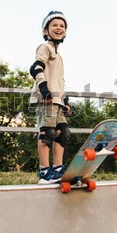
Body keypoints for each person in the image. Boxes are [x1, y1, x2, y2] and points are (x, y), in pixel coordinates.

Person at [29, 11, 74, 184]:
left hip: (56, 100)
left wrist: (65, 102)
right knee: (47, 134)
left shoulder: (60, 56)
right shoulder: (44, 47)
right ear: (46, 30)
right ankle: (44, 171)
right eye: (54, 25)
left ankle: (57, 168)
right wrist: (44, 89)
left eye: (62, 26)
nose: (59, 28)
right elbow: (36, 68)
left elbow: (58, 81)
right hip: (46, 97)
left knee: (63, 133)